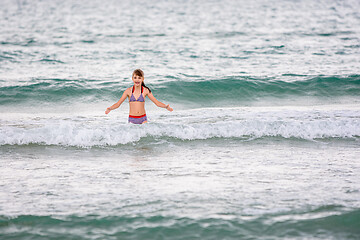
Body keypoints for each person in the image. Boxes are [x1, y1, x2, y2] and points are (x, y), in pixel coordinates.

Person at [105, 69, 173, 124]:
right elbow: (118, 104)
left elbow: (157, 102)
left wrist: (165, 106)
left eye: (139, 78)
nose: (137, 80)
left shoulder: (145, 90)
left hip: (143, 118)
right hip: (132, 119)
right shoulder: (128, 91)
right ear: (132, 78)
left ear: (142, 79)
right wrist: (110, 108)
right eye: (135, 78)